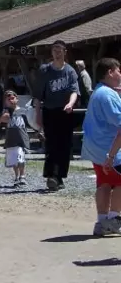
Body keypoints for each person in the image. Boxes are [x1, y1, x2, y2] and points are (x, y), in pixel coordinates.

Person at [82, 58, 121, 237]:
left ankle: (101, 221)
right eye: (118, 70)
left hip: (96, 147)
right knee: (119, 183)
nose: (120, 74)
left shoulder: (99, 92)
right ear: (110, 72)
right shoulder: (108, 95)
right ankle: (113, 220)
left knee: (104, 183)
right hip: (110, 149)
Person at [36, 40, 80, 192]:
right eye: (54, 49)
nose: (57, 52)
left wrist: (71, 103)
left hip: (65, 112)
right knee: (52, 144)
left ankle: (60, 177)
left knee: (65, 145)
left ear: (65, 52)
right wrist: (37, 115)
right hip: (49, 110)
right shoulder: (45, 70)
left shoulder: (70, 71)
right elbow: (38, 96)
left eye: (60, 49)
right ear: (51, 52)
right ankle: (51, 176)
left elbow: (75, 90)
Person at [0, 90, 28, 188]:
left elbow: (30, 122)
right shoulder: (5, 112)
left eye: (12, 98)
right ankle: (16, 176)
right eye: (8, 99)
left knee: (20, 157)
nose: (11, 100)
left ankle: (22, 175)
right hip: (11, 138)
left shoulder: (23, 111)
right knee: (13, 159)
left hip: (21, 138)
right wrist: (1, 118)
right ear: (5, 101)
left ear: (17, 99)